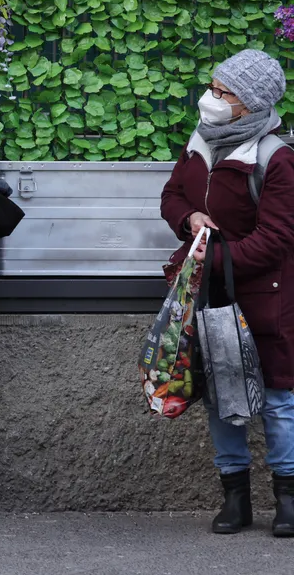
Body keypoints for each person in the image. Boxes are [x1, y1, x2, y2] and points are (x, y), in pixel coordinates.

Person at [160, 48, 294, 538]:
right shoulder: (201, 141)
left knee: (279, 398)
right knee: (221, 395)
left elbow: (277, 238)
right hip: (210, 293)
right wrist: (190, 219)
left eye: (224, 92)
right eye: (213, 87)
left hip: (267, 296)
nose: (211, 99)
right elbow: (172, 195)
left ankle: (288, 497)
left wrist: (210, 259)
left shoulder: (275, 157)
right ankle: (234, 498)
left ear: (250, 103)